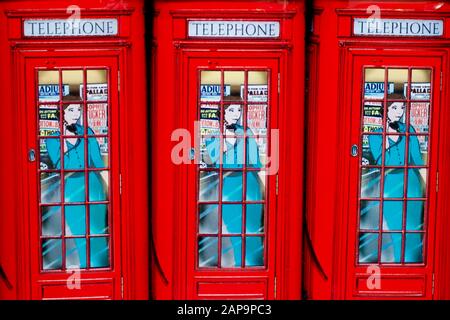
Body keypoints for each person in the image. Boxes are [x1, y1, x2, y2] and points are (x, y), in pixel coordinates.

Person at [44, 102, 109, 269]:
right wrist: (64, 139)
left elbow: (97, 162)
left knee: (97, 232)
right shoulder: (52, 139)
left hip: (93, 184)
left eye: (79, 109)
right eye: (71, 110)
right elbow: (60, 166)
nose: (76, 113)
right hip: (72, 187)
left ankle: (99, 269)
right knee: (80, 233)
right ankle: (85, 268)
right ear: (62, 114)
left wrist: (111, 187)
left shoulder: (87, 132)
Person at [362, 93, 425, 263]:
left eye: (402, 107)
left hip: (412, 184)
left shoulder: (408, 130)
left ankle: (413, 268)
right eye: (395, 107)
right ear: (386, 110)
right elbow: (384, 162)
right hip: (390, 185)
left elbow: (417, 160)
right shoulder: (375, 135)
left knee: (413, 231)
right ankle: (400, 266)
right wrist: (387, 135)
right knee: (397, 232)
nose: (399, 112)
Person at [202, 102, 265, 267]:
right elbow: (215, 164)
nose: (236, 114)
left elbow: (255, 163)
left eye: (239, 110)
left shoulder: (247, 133)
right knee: (233, 229)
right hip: (228, 184)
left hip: (249, 183)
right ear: (221, 113)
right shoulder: (213, 137)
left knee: (251, 230)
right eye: (231, 110)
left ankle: (253, 267)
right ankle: (236, 266)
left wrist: (227, 157)